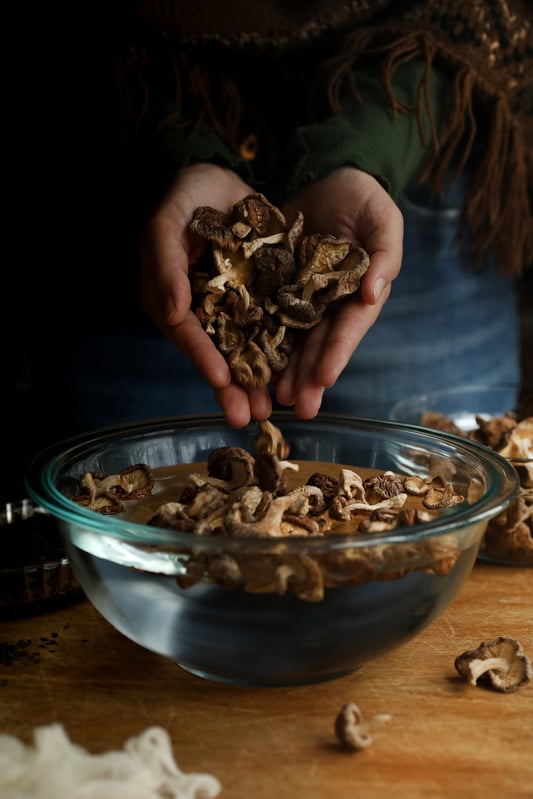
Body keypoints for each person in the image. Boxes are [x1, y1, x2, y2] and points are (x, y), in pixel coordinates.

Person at [19, 2, 533, 452]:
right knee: (135, 535)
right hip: (141, 221)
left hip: (422, 168)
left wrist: (369, 148)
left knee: (442, 515)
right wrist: (175, 146)